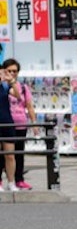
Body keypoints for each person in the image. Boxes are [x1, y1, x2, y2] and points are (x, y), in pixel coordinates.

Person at [3, 58, 35, 190]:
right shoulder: (3, 86)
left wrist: (34, 122)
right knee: (4, 154)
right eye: (9, 71)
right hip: (6, 122)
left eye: (15, 71)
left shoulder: (22, 87)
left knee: (19, 153)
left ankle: (19, 179)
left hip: (20, 122)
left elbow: (28, 104)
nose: (12, 73)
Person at [0, 63, 18, 192]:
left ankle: (11, 182)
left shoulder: (6, 86)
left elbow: (18, 95)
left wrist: (11, 81)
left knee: (10, 155)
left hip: (7, 122)